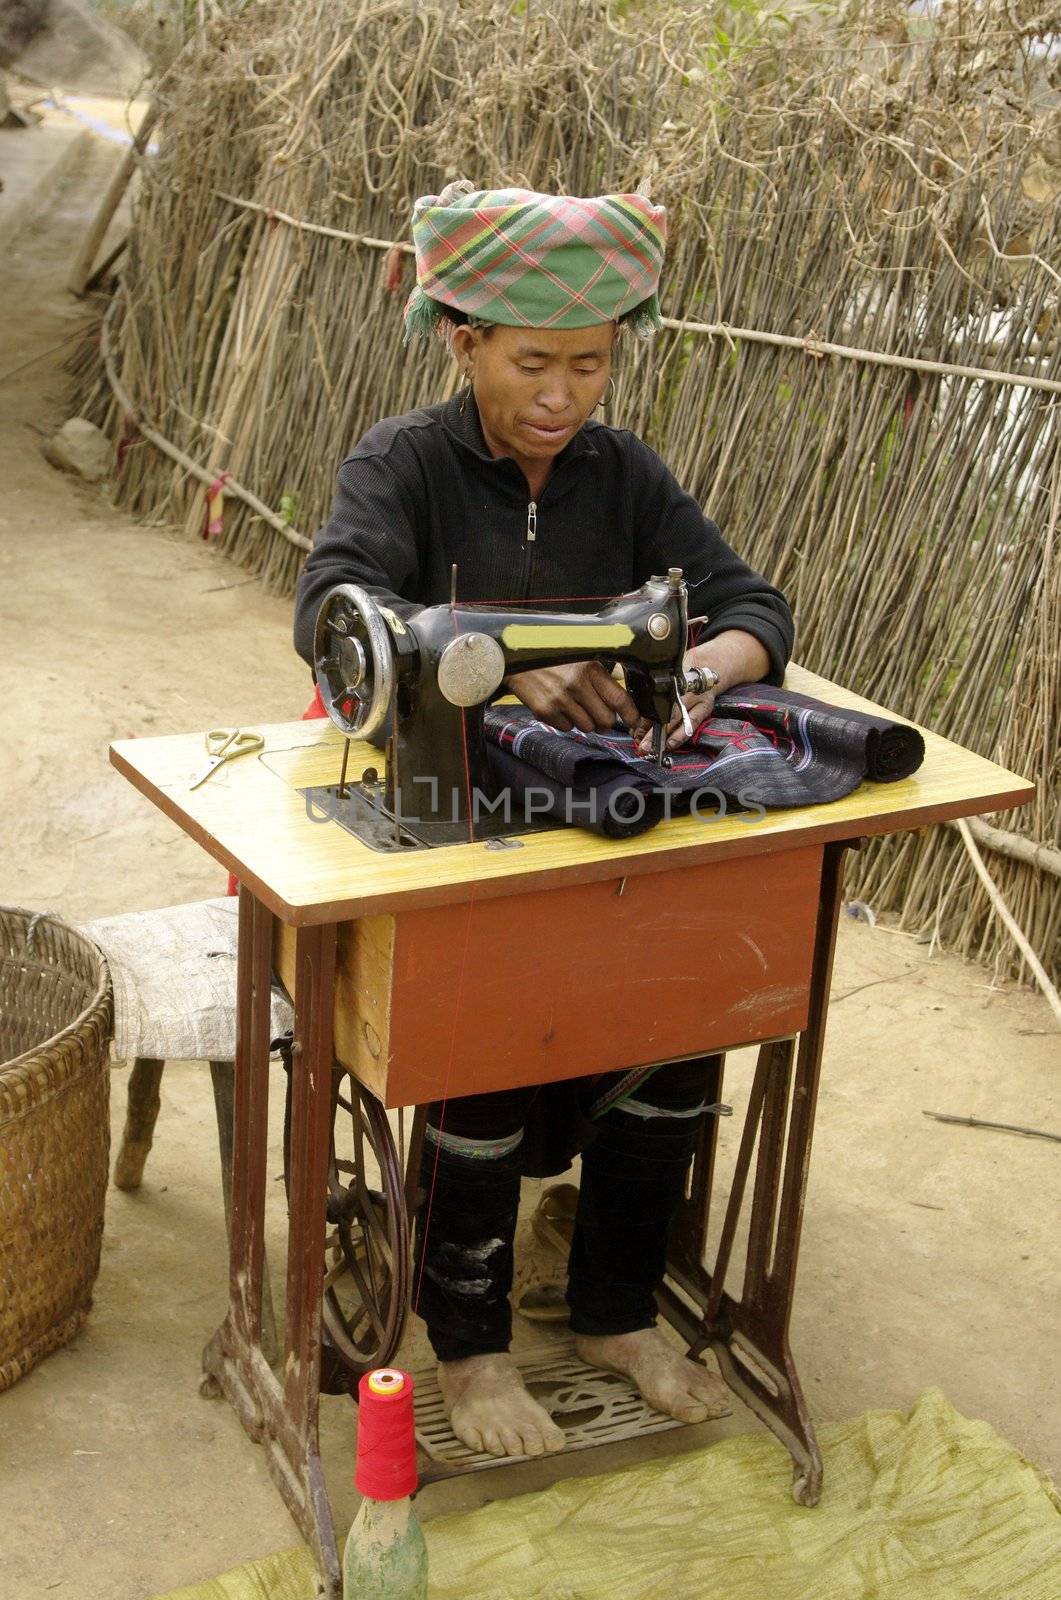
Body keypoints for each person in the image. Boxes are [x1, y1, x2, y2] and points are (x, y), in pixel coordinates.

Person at [294, 180, 794, 1459]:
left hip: (595, 806)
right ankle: (466, 1349)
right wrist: (483, 660)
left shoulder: (625, 475)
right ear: (463, 342)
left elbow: (753, 608)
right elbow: (331, 607)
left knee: (676, 1037)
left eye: (590, 363)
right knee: (486, 1041)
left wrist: (694, 673)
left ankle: (613, 1311)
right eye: (534, 363)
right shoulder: (400, 461)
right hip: (448, 810)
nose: (563, 393)